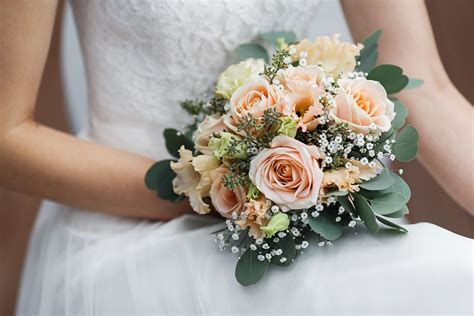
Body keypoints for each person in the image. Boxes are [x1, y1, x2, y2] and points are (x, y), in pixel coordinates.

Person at [0, 0, 472, 314]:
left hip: (289, 221)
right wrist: (233, 190)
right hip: (126, 224)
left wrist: (286, 190)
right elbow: (7, 136)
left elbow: (425, 85)